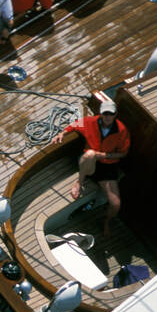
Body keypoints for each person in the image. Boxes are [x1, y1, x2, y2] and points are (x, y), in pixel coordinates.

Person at [53, 97, 128, 235]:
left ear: (115, 114)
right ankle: (79, 182)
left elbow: (123, 153)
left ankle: (107, 221)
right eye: (105, 113)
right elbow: (75, 124)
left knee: (116, 204)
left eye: (110, 113)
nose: (107, 116)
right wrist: (62, 133)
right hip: (88, 160)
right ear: (100, 113)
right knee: (90, 154)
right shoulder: (90, 121)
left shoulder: (121, 130)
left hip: (107, 166)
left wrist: (105, 156)